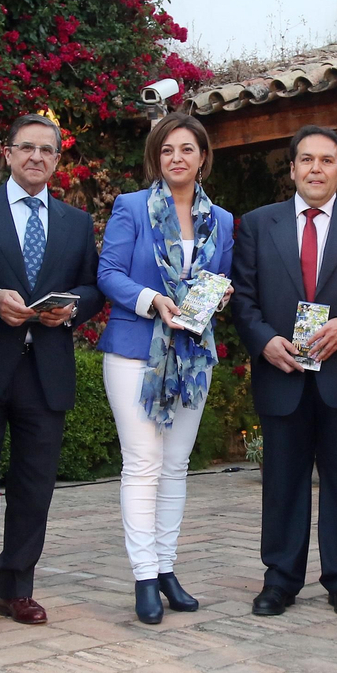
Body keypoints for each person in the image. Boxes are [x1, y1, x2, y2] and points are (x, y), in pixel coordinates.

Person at [230, 125, 337, 618]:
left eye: (327, 160)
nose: (316, 168)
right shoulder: (260, 225)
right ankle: (280, 580)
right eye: (306, 159)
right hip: (281, 374)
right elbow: (243, 296)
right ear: (292, 168)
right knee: (282, 483)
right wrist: (264, 342)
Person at [0, 114, 103, 638]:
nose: (36, 157)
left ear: (58, 160)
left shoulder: (76, 222)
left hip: (46, 369)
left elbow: (92, 285)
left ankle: (17, 589)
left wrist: (74, 308)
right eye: (26, 147)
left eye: (47, 150)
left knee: (35, 488)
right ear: (6, 152)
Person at [96, 113, 235, 624]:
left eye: (188, 149)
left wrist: (218, 297)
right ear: (157, 157)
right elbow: (108, 273)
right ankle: (144, 577)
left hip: (193, 356)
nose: (177, 158)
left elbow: (220, 278)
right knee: (144, 464)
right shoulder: (132, 207)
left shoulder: (220, 220)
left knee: (176, 466)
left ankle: (167, 568)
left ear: (202, 157)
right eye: (168, 150)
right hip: (135, 350)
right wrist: (153, 298)